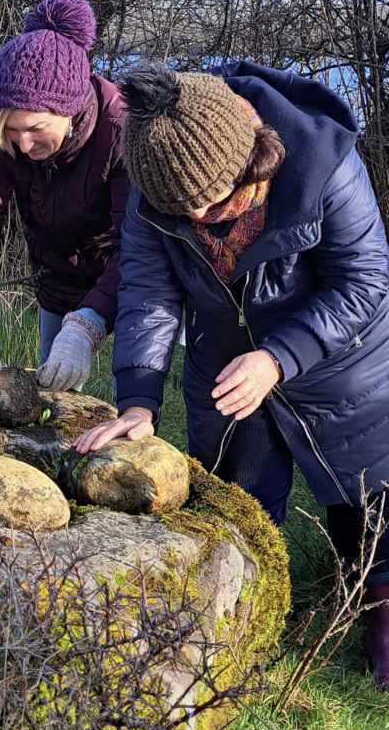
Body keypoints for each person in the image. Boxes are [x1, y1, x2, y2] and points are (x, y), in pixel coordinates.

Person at [75, 61, 389, 687]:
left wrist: (279, 357)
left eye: (207, 203)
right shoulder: (158, 181)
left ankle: (380, 613)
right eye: (179, 211)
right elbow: (148, 292)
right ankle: (249, 618)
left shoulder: (322, 161)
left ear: (243, 162)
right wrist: (138, 398)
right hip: (223, 360)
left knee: (368, 501)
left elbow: (365, 281)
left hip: (340, 358)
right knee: (239, 497)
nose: (196, 219)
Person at [0, 0, 128, 390]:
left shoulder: (121, 131)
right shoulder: (1, 136)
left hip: (127, 281)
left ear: (71, 108)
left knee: (129, 402)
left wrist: (87, 327)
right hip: (56, 277)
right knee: (53, 398)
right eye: (12, 130)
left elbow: (136, 249)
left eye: (35, 129)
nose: (23, 145)